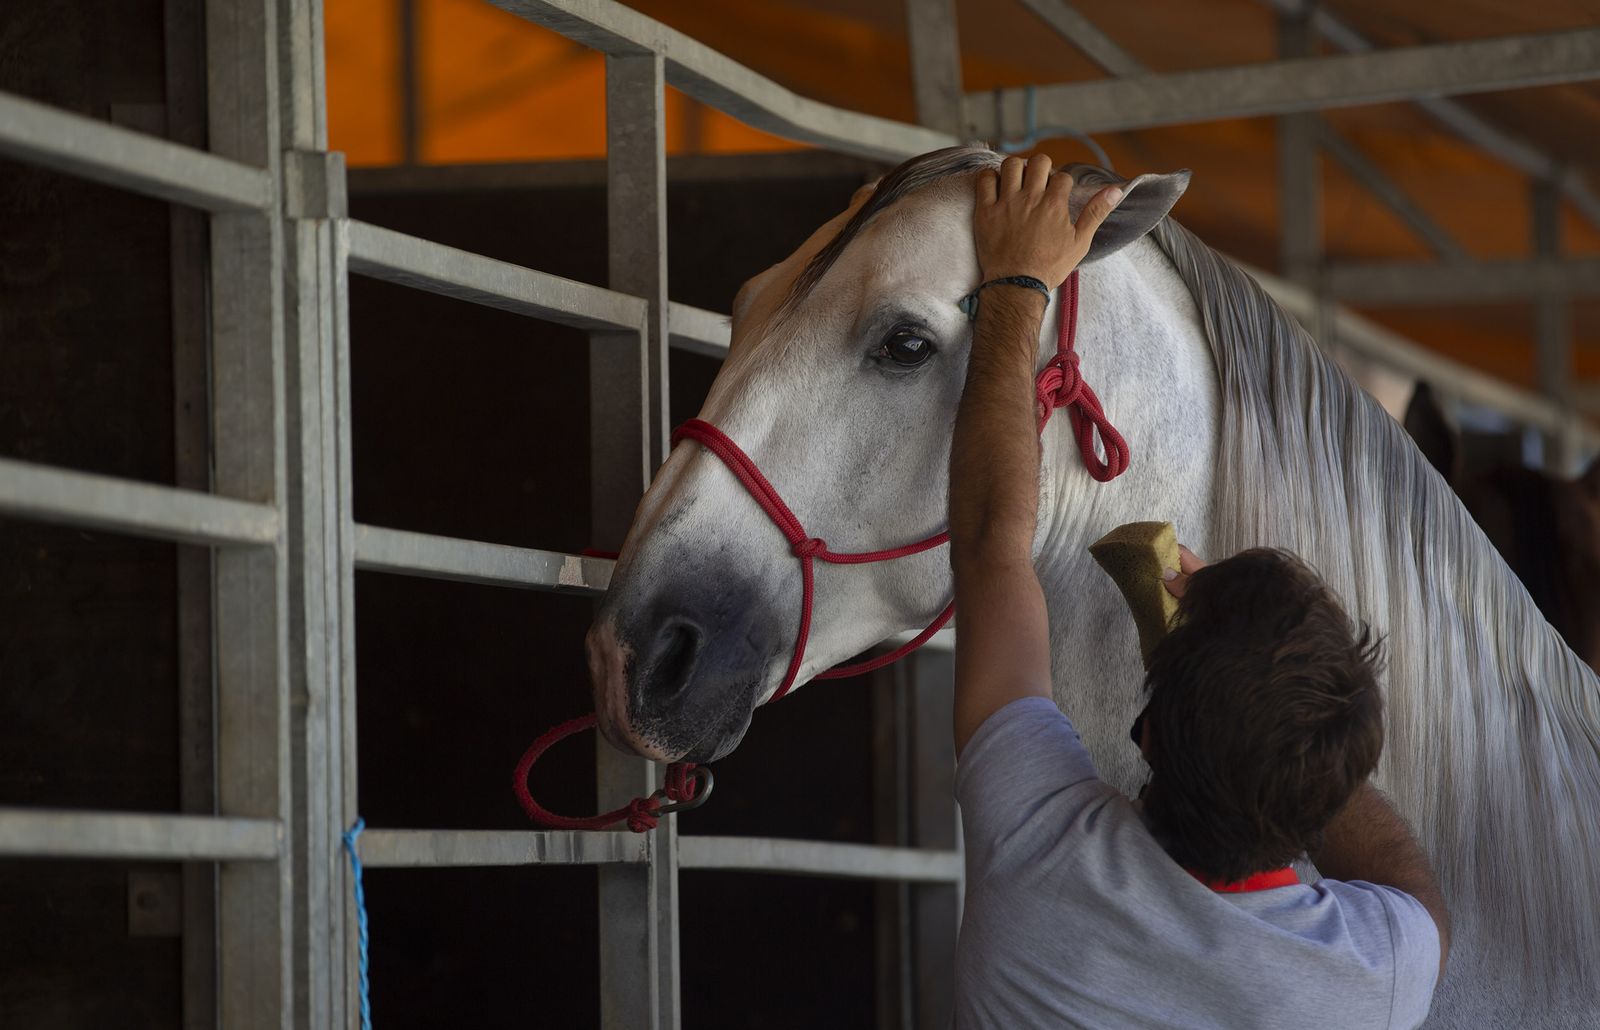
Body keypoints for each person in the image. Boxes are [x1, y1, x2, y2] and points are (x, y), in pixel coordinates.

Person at [948, 153, 1450, 1029]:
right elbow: (1409, 888)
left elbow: (993, 544)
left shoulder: (1037, 855)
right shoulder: (1377, 976)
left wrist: (1017, 283)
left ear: (1143, 733)